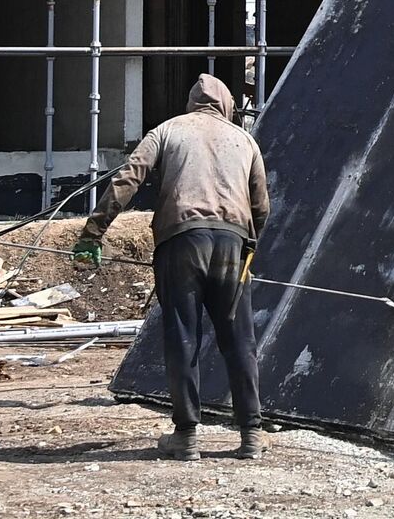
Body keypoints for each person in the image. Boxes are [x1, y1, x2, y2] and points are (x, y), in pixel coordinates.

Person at [72, 74, 269, 461]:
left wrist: (93, 233)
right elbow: (261, 205)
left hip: (181, 241)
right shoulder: (244, 140)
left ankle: (187, 436)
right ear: (227, 104)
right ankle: (251, 435)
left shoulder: (167, 131)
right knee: (239, 340)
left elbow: (128, 179)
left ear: (192, 103)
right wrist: (249, 244)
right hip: (232, 242)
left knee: (183, 337)